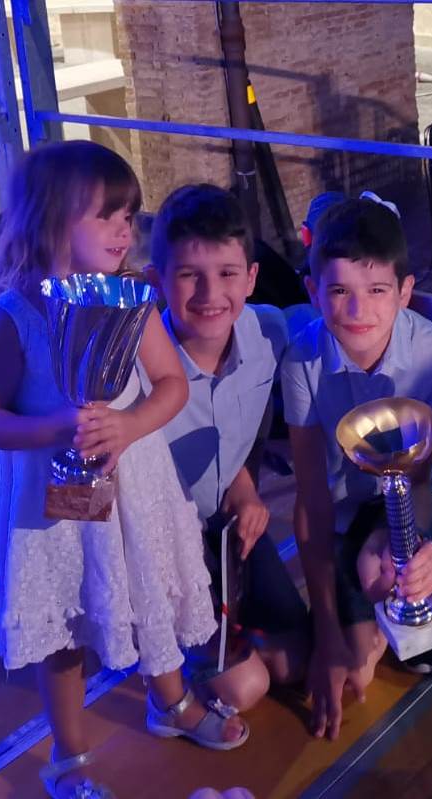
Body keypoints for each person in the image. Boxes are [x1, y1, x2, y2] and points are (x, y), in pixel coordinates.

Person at [0, 142, 248, 799]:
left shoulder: (134, 300)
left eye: (129, 215)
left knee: (149, 592)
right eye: (106, 215)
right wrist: (55, 427)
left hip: (132, 482)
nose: (125, 229)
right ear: (50, 218)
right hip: (51, 501)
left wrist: (128, 425)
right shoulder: (11, 318)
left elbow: (171, 383)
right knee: (65, 625)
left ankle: (171, 701)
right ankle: (69, 755)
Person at [281, 196, 432, 740]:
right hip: (346, 507)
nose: (358, 310)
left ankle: (406, 580)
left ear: (405, 291)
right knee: (353, 666)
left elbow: (423, 477)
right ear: (313, 291)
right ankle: (369, 598)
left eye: (378, 291)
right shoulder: (301, 361)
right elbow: (312, 498)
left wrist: (414, 548)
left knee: (420, 646)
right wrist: (325, 629)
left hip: (423, 493)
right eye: (339, 291)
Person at [142, 183, 309, 712]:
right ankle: (172, 646)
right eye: (189, 275)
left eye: (227, 274)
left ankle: (232, 626)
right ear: (156, 281)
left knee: (296, 665)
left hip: (229, 529)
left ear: (252, 278)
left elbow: (242, 437)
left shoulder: (269, 333)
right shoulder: (136, 370)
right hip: (167, 548)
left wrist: (246, 491)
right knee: (247, 687)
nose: (210, 294)